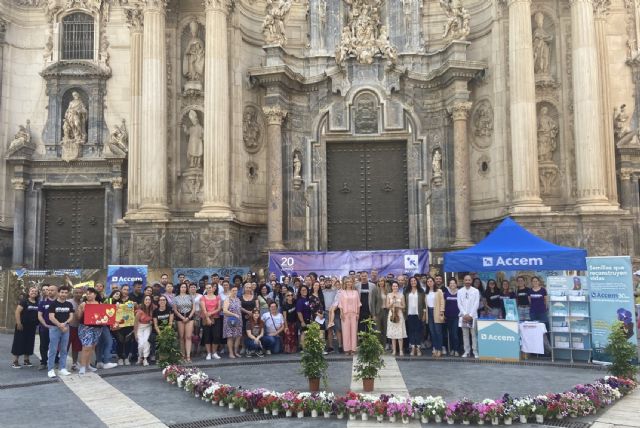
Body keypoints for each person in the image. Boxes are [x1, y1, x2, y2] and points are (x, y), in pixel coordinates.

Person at [47, 285, 74, 378]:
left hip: (66, 328)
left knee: (64, 349)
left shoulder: (69, 304)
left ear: (68, 293)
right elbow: (51, 317)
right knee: (53, 349)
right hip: (55, 329)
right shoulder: (53, 304)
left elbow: (71, 316)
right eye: (62, 292)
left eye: (66, 292)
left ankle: (62, 368)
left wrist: (65, 323)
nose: (64, 294)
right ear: (58, 293)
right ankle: (50, 369)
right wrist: (60, 325)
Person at [75, 287, 102, 375]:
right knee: (86, 347)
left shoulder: (100, 303)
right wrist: (81, 310)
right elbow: (78, 317)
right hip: (85, 327)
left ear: (95, 294)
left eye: (90, 293)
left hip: (97, 328)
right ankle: (82, 367)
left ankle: (88, 365)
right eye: (87, 293)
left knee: (92, 347)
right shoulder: (83, 304)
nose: (88, 295)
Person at [11, 286, 39, 368]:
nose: (33, 292)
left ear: (37, 293)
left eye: (35, 291)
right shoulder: (24, 301)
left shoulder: (38, 302)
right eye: (32, 291)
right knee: (19, 342)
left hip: (32, 327)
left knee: (29, 343)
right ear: (28, 293)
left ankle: (26, 360)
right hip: (22, 326)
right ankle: (15, 361)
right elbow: (17, 312)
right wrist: (19, 323)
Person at [458, 275, 480, 358]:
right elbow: (459, 303)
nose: (467, 281)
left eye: (469, 280)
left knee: (474, 335)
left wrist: (470, 315)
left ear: (471, 281)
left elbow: (476, 303)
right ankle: (466, 351)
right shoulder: (460, 291)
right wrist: (464, 314)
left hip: (473, 316)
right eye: (466, 280)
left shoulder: (476, 291)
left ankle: (475, 351)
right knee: (465, 335)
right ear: (464, 281)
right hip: (463, 316)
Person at [337, 278, 360, 355]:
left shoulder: (356, 292)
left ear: (352, 283)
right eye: (347, 282)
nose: (349, 283)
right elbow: (340, 304)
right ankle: (347, 349)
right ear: (345, 283)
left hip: (354, 313)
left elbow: (358, 304)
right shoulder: (342, 292)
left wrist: (358, 314)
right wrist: (341, 313)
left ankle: (353, 349)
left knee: (354, 331)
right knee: (345, 331)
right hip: (345, 314)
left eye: (350, 282)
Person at [173, 283, 195, 362]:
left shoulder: (191, 297)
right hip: (180, 317)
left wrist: (188, 317)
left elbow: (193, 308)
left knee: (188, 337)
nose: (183, 288)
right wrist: (182, 317)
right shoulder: (175, 298)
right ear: (179, 288)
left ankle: (188, 356)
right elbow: (175, 310)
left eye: (185, 287)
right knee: (181, 337)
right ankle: (182, 356)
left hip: (189, 317)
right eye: (182, 287)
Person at [404, 276, 425, 356]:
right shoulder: (406, 291)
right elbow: (404, 303)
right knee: (411, 331)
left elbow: (424, 304)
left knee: (418, 331)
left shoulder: (421, 291)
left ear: (417, 282)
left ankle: (418, 348)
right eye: (411, 281)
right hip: (409, 314)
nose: (413, 282)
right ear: (409, 282)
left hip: (418, 314)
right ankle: (413, 348)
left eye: (414, 281)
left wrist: (424, 314)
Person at [200, 283, 222, 360]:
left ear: (213, 288)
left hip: (216, 318)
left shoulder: (217, 297)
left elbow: (219, 308)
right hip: (206, 319)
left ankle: (214, 353)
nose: (208, 289)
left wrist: (211, 313)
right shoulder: (203, 297)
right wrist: (208, 318)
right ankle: (208, 353)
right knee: (207, 336)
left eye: (210, 288)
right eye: (207, 288)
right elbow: (203, 309)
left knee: (216, 336)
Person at [425, 276, 445, 357]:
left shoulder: (438, 291)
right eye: (428, 281)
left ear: (433, 282)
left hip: (436, 311)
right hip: (429, 312)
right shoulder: (426, 292)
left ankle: (440, 349)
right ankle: (435, 348)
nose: (429, 282)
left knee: (438, 332)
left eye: (431, 281)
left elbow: (442, 302)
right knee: (432, 332)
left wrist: (441, 311)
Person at [37, 284, 56, 370]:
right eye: (48, 290)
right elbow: (40, 315)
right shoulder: (42, 303)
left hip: (56, 328)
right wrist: (45, 324)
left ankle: (53, 361)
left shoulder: (58, 303)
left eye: (51, 290)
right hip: (44, 328)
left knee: (54, 346)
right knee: (43, 345)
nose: (49, 291)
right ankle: (43, 362)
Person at [386, 281, 407, 356]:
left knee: (399, 333)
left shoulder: (401, 295)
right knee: (393, 334)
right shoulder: (389, 295)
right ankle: (394, 350)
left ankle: (401, 350)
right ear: (391, 287)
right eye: (393, 286)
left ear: (398, 287)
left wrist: (398, 305)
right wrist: (392, 302)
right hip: (392, 314)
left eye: (396, 286)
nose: (395, 287)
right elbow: (387, 306)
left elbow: (404, 306)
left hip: (399, 314)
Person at [223, 285, 243, 358]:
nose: (235, 292)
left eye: (236, 290)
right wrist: (234, 314)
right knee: (230, 336)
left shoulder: (238, 299)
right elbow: (225, 311)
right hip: (229, 320)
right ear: (230, 291)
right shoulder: (227, 299)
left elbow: (240, 309)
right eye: (233, 290)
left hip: (238, 320)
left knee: (238, 336)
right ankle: (231, 353)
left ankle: (236, 352)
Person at [134, 295, 154, 366]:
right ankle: (140, 357)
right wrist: (135, 334)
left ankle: (145, 359)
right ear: (143, 301)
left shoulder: (152, 309)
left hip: (148, 327)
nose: (148, 301)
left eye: (149, 300)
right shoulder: (139, 311)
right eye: (146, 299)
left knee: (145, 342)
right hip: (139, 327)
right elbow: (135, 323)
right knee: (140, 344)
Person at [67, 286, 83, 371]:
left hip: (79, 328)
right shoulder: (68, 302)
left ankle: (74, 363)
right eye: (76, 292)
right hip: (69, 327)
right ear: (73, 293)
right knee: (65, 346)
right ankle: (61, 363)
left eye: (80, 293)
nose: (78, 294)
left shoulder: (83, 303)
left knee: (76, 347)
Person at [443, 278, 460, 356]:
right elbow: (443, 304)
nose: (452, 284)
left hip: (457, 316)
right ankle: (452, 349)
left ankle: (456, 349)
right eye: (451, 283)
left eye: (454, 283)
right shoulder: (446, 293)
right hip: (448, 316)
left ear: (456, 284)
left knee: (455, 334)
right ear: (448, 285)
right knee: (450, 333)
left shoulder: (459, 293)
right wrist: (443, 314)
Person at [369, 278, 388, 348]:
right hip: (378, 312)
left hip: (386, 312)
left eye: (382, 281)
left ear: (384, 282)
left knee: (385, 329)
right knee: (377, 329)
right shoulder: (375, 290)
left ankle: (384, 345)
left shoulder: (387, 290)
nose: (381, 282)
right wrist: (373, 314)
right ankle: (377, 346)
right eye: (379, 281)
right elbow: (372, 303)